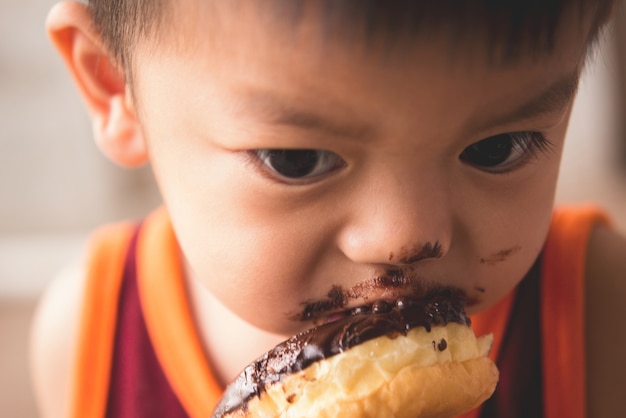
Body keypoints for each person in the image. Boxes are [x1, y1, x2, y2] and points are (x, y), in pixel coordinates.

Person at [30, 1, 626, 417]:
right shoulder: (92, 340)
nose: (406, 238)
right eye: (297, 159)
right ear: (114, 83)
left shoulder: (595, 311)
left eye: (497, 148)